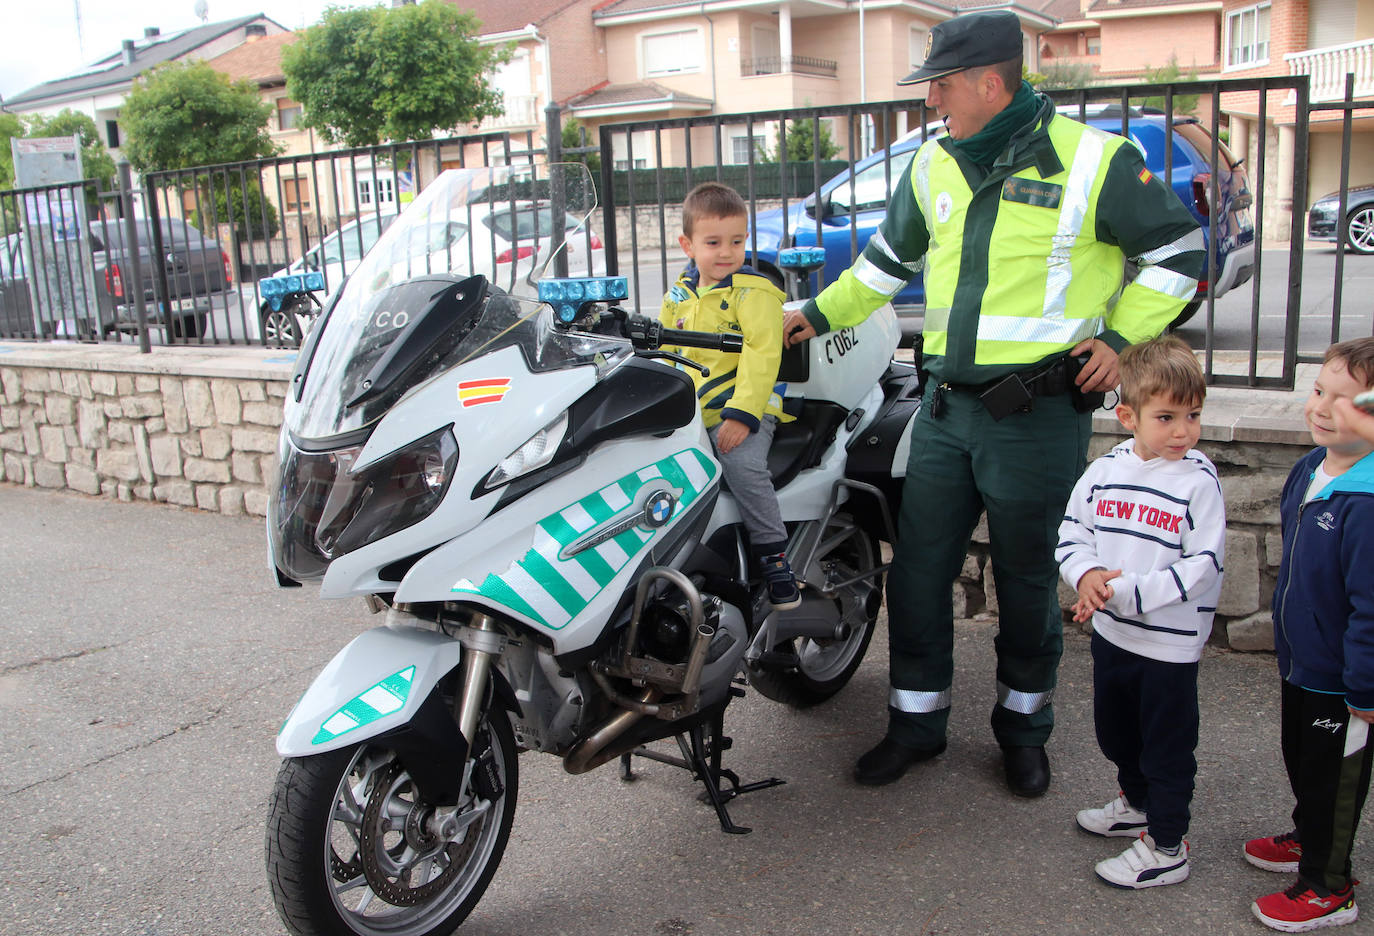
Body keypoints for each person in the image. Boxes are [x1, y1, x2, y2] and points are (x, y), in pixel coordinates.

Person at [783, 9, 1204, 796]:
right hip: (945, 413)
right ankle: (915, 726)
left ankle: (1023, 731)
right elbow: (881, 265)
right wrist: (807, 318)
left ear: (989, 81)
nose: (932, 100)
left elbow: (1180, 254)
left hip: (1039, 416)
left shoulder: (1093, 160)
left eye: (940, 83)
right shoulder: (933, 162)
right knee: (916, 575)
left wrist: (1121, 338)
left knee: (1027, 583)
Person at [1055, 335, 1224, 889]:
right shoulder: (1106, 471)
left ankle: (1168, 843)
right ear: (1128, 416)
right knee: (1117, 733)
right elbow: (1074, 531)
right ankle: (1137, 805)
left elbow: (1200, 565)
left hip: (1167, 646)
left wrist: (1119, 591)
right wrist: (1085, 575)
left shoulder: (1198, 483)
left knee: (1167, 747)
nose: (1183, 431)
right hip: (1113, 635)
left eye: (1193, 415)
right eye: (1167, 417)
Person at [1245, 337, 1374, 932]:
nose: (1322, 407)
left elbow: (1370, 609)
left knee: (1335, 779)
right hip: (1302, 663)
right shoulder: (1308, 468)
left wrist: (1365, 692)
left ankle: (1330, 885)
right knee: (1301, 759)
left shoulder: (1367, 503)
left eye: (1346, 401)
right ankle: (1308, 836)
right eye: (1320, 391)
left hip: (1346, 682)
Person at [661, 181, 800, 610]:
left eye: (737, 241)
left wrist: (743, 415)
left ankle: (775, 558)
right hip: (692, 414)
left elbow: (763, 353)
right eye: (713, 242)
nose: (727, 252)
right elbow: (664, 350)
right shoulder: (678, 297)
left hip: (741, 409)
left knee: (743, 467)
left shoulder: (752, 292)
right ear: (687, 244)